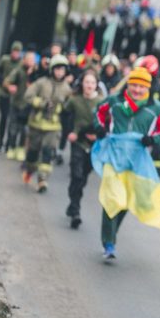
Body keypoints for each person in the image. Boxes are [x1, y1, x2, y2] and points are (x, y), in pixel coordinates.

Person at [93, 67, 160, 260]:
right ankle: (109, 243)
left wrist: (152, 140)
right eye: (133, 85)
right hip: (114, 155)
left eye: (141, 87)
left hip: (137, 160)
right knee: (112, 198)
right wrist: (100, 128)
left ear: (148, 88)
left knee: (126, 201)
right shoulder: (115, 101)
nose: (137, 90)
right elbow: (99, 113)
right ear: (128, 84)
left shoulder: (156, 108)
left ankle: (112, 234)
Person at [22, 54, 73, 193]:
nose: (59, 72)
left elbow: (70, 107)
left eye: (62, 70)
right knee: (32, 153)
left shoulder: (67, 89)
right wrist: (42, 104)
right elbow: (28, 96)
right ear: (52, 70)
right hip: (36, 124)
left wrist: (62, 107)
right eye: (57, 69)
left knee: (47, 152)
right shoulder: (41, 83)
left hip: (53, 126)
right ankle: (30, 170)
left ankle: (42, 180)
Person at [63, 69, 104, 228]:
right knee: (77, 174)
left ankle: (73, 202)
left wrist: (98, 135)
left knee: (83, 178)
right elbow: (65, 115)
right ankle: (75, 211)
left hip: (94, 146)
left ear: (96, 85)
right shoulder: (75, 100)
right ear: (82, 83)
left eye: (93, 83)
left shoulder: (101, 102)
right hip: (78, 142)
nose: (89, 85)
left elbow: (107, 122)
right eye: (87, 82)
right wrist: (69, 132)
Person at [2, 47, 38, 161]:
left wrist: (32, 75)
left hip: (28, 106)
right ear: (24, 60)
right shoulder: (18, 70)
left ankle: (21, 149)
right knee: (13, 128)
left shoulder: (36, 73)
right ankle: (11, 148)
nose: (31, 61)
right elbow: (6, 81)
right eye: (29, 59)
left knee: (25, 130)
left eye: (33, 59)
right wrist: (9, 87)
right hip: (16, 104)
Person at [0, 41, 22, 152]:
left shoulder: (21, 64)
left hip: (16, 96)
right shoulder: (5, 60)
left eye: (17, 52)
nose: (15, 54)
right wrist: (3, 85)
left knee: (13, 121)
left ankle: (8, 144)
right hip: (5, 94)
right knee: (4, 118)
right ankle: (0, 141)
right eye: (14, 51)